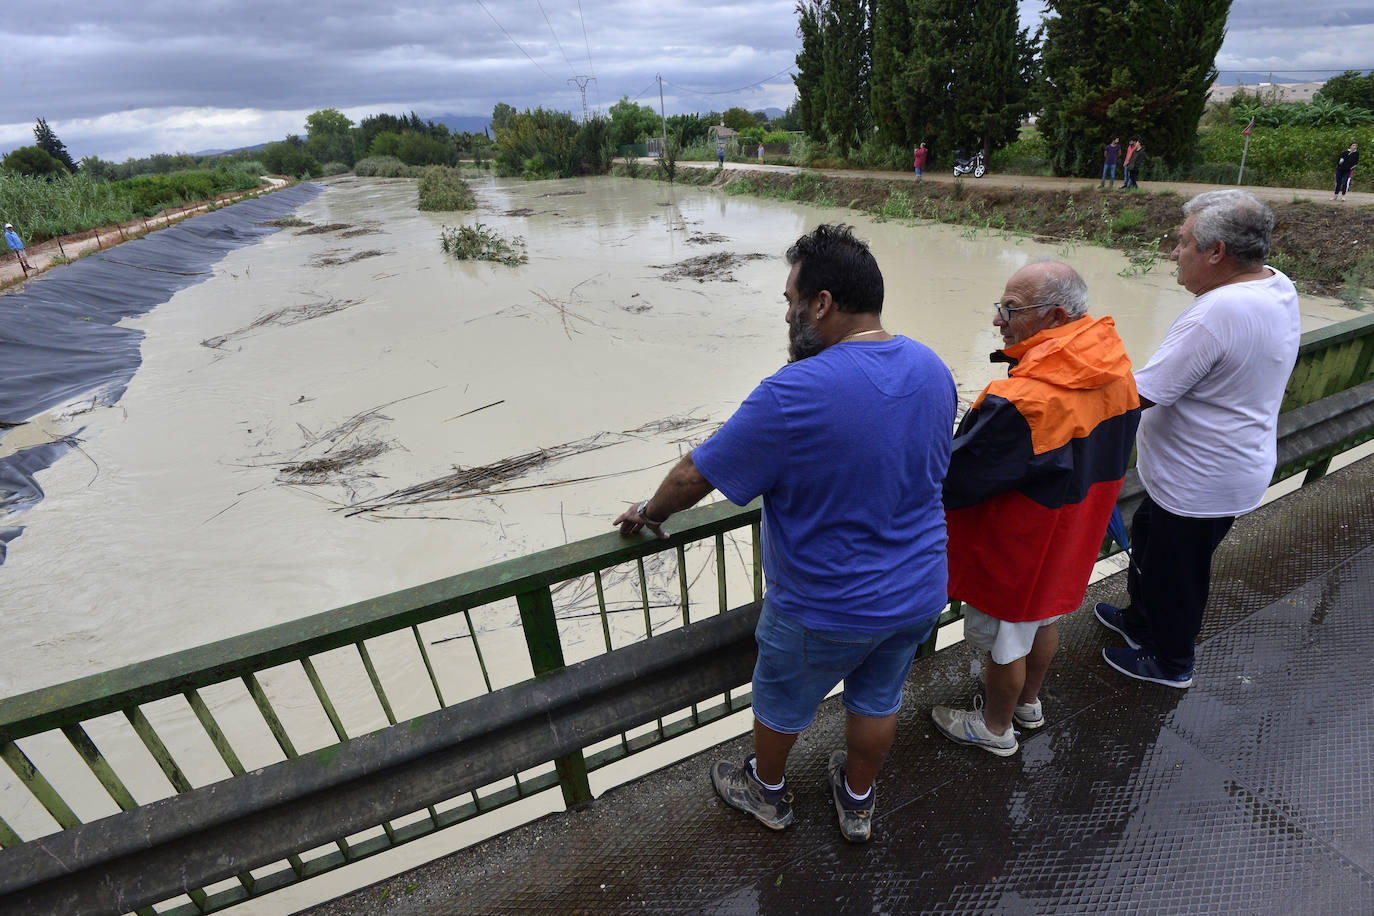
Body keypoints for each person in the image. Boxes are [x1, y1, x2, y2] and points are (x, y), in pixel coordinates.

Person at [613, 224, 956, 842]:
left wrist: (650, 513)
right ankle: (857, 801)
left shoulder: (793, 392)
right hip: (919, 590)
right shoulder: (932, 367)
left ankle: (766, 793)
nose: (787, 313)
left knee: (779, 703)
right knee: (877, 700)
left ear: (821, 303)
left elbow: (695, 474)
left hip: (826, 603)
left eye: (789, 299)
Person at [931, 262, 1140, 755]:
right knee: (1043, 620)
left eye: (1012, 310)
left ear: (1056, 315)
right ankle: (1028, 702)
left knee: (1007, 640)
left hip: (1020, 539)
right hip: (1076, 530)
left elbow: (956, 479)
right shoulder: (1115, 366)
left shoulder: (1025, 399)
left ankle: (995, 728)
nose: (1000, 320)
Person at [1096, 190, 1300, 688]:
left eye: (1184, 242)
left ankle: (1171, 663)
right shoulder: (1276, 284)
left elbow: (1144, 392)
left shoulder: (1216, 313)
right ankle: (1142, 622)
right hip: (1224, 466)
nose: (1174, 253)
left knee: (1179, 576)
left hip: (1200, 481)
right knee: (1150, 538)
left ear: (1217, 252)